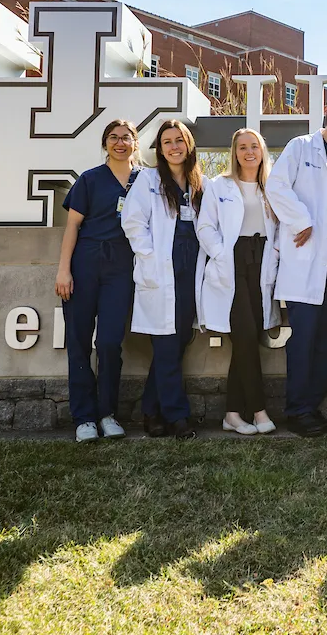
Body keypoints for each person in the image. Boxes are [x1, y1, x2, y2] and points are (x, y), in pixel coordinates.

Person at [266, 87, 327, 437]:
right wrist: (301, 219)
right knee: (304, 340)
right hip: (306, 264)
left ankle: (312, 407)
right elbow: (276, 187)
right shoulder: (300, 147)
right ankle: (297, 409)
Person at [55, 119, 141, 443]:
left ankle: (107, 414)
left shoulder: (143, 182)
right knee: (78, 342)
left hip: (121, 269)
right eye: (113, 137)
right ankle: (84, 418)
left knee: (108, 342)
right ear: (105, 143)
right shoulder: (90, 180)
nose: (120, 143)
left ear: (135, 143)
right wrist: (64, 270)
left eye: (126, 138)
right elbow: (72, 227)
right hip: (85, 264)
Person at [122, 119, 208, 440]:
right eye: (167, 141)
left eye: (179, 140)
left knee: (180, 338)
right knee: (167, 343)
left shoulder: (200, 183)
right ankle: (177, 417)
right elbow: (133, 223)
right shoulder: (148, 180)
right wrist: (151, 257)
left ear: (188, 145)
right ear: (160, 148)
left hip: (190, 270)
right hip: (161, 268)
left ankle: (151, 410)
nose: (174, 146)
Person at [196, 128, 280, 436]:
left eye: (254, 146)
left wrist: (278, 250)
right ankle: (258, 410)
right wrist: (220, 254)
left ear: (262, 151)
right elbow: (205, 227)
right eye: (242, 147)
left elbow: (283, 224)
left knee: (249, 338)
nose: (248, 152)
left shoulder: (272, 186)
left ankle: (232, 413)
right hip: (232, 262)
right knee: (244, 335)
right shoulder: (220, 185)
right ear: (235, 152)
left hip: (263, 262)